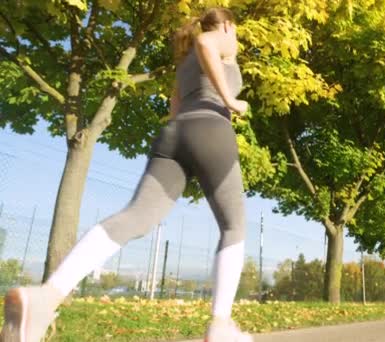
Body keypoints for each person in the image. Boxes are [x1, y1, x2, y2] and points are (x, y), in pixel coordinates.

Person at [1, 7, 253, 342]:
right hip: (211, 128)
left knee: (136, 217)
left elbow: (175, 107)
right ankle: (221, 325)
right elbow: (208, 42)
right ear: (226, 24)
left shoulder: (184, 67)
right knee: (233, 226)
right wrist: (230, 101)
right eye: (234, 30)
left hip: (174, 136)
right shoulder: (218, 39)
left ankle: (46, 297)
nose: (235, 38)